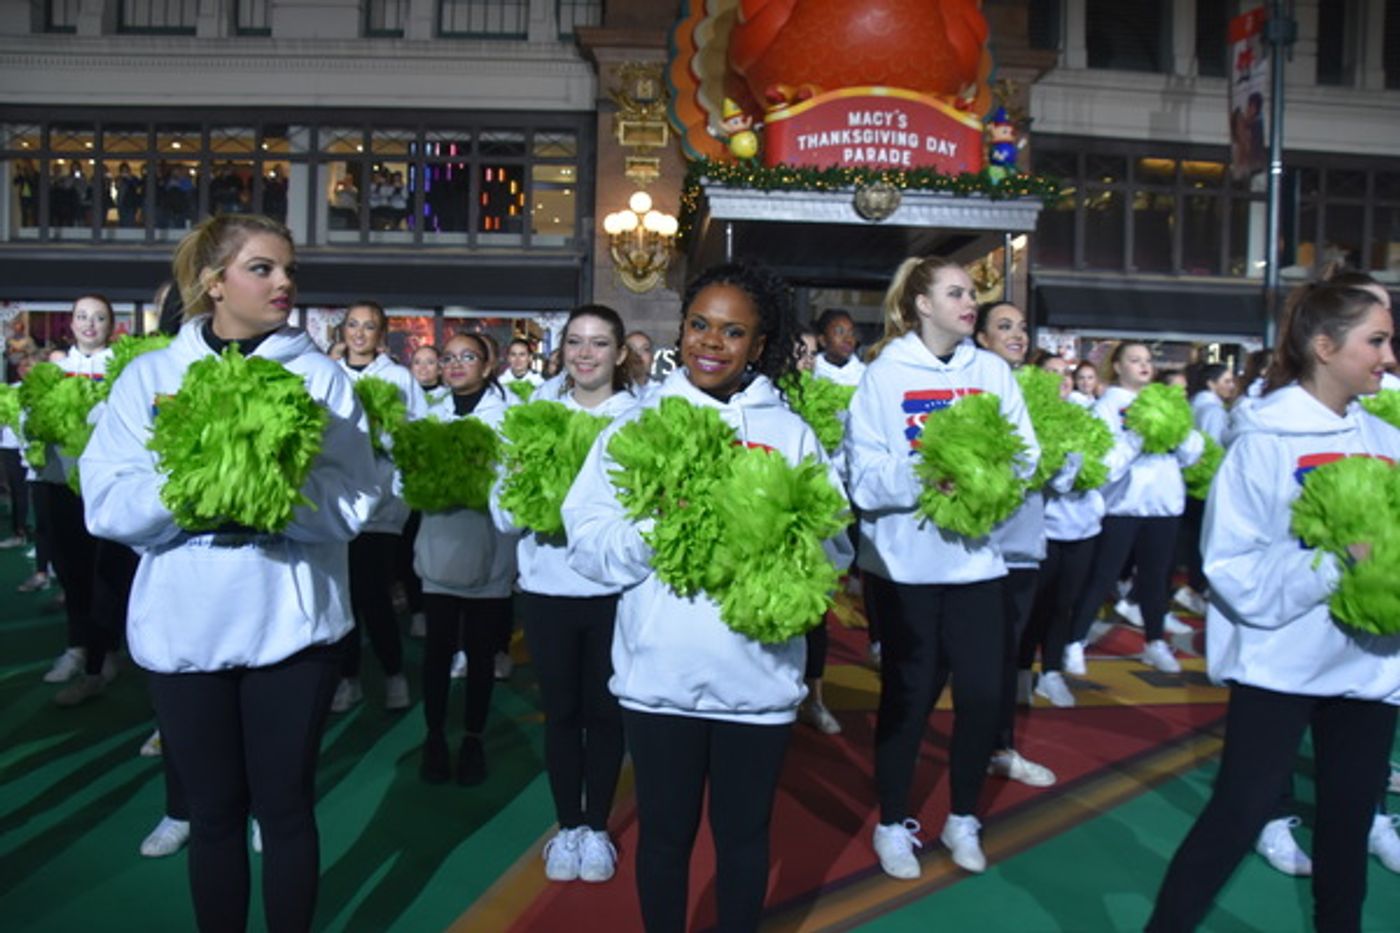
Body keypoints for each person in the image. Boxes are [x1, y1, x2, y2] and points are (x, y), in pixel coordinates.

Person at [79, 213, 381, 931]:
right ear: (215, 282)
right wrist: (197, 493)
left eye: (290, 271)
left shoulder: (320, 375)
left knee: (283, 809)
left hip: (291, 626)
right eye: (263, 269)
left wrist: (272, 504)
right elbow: (106, 500)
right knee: (213, 816)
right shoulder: (151, 374)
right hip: (183, 629)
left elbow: (356, 497)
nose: (285, 284)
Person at [562, 262, 849, 931]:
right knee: (663, 839)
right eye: (699, 324)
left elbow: (833, 548)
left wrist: (771, 537)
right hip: (658, 675)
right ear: (680, 328)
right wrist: (662, 527)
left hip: (759, 680)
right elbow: (589, 541)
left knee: (745, 840)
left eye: (732, 331)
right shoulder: (637, 424)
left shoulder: (790, 432)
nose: (710, 342)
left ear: (758, 344)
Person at [1146, 282, 1400, 932]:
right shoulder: (1263, 440)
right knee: (1237, 814)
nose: (1388, 355)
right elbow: (1231, 568)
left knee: (1347, 824)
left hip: (1370, 668)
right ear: (1324, 345)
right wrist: (1338, 560)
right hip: (1279, 666)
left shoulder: (1384, 438)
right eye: (1375, 340)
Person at [847, 257, 1038, 879]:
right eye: (955, 293)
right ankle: (894, 822)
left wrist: (989, 480)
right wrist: (933, 470)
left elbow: (1025, 454)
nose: (970, 303)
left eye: (973, 293)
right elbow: (867, 479)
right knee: (909, 700)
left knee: (985, 696)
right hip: (906, 571)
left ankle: (962, 817)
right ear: (922, 304)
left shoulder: (991, 371)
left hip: (979, 565)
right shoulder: (884, 375)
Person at [492, 304, 639, 884]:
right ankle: (568, 826)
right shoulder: (533, 417)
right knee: (561, 712)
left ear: (620, 353)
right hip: (548, 587)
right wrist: (529, 487)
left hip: (614, 591)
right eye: (575, 341)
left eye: (599, 343)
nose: (585, 353)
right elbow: (504, 512)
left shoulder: (640, 420)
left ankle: (597, 828)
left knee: (605, 713)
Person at [414, 332, 517, 785]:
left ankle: (473, 738)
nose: (456, 365)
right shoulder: (430, 414)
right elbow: (409, 479)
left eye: (467, 357)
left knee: (479, 653)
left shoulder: (508, 417)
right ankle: (434, 736)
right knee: (436, 651)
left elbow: (512, 480)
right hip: (439, 546)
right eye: (449, 358)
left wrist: (477, 484)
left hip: (489, 551)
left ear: (488, 363)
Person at [1066, 342, 1203, 676]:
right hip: (1122, 507)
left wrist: (1177, 434)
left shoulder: (1164, 400)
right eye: (1134, 360)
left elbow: (1192, 454)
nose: (1144, 366)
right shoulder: (1107, 406)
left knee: (1156, 579)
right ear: (1117, 367)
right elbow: (1105, 465)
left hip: (1164, 505)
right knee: (1103, 576)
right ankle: (1074, 641)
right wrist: (1138, 438)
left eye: (1147, 360)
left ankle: (1154, 641)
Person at [328, 300, 428, 713]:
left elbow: (415, 437)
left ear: (381, 335)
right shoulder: (328, 374)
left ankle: (393, 675)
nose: (359, 333)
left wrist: (381, 436)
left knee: (374, 595)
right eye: (352, 325)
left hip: (381, 508)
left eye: (369, 327)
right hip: (333, 506)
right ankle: (347, 678)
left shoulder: (399, 378)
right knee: (341, 597)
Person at [973, 300, 1057, 788]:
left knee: (1006, 654)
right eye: (1004, 326)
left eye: (1023, 327)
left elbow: (1059, 476)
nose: (1018, 335)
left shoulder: (1040, 390)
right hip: (976, 546)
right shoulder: (972, 389)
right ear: (980, 338)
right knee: (963, 658)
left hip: (1023, 545)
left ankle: (998, 746)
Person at [35, 295, 116, 700]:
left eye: (99, 318)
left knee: (101, 574)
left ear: (110, 325)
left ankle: (101, 660)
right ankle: (77, 647)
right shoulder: (54, 367)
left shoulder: (120, 366)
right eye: (82, 317)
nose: (89, 324)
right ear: (70, 323)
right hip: (59, 482)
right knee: (70, 572)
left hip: (101, 487)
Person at [812, 308, 865, 386]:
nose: (848, 339)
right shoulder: (811, 371)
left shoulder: (864, 374)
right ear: (822, 340)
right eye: (840, 332)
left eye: (852, 333)